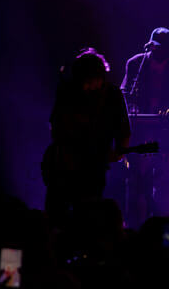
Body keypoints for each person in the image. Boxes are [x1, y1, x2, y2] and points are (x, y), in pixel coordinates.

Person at [44, 48, 131, 223]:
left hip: (94, 165)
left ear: (100, 77)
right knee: (57, 212)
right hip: (64, 164)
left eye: (89, 81)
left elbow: (124, 129)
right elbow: (55, 124)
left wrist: (119, 151)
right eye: (81, 81)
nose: (84, 86)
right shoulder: (68, 90)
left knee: (88, 210)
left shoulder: (112, 95)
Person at [121, 27, 169, 222]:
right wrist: (133, 107)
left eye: (162, 48)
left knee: (164, 183)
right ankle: (134, 226)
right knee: (136, 181)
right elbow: (124, 91)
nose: (157, 51)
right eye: (155, 47)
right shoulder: (136, 63)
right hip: (141, 131)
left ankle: (161, 225)